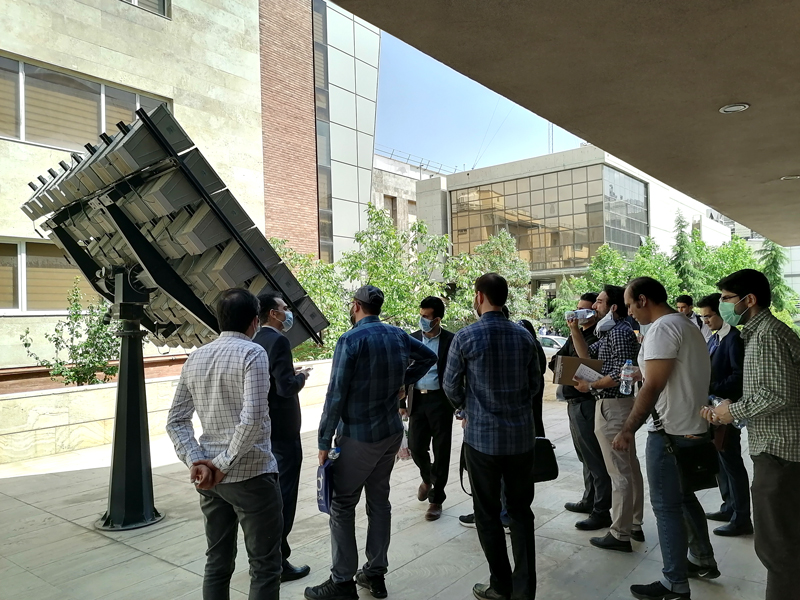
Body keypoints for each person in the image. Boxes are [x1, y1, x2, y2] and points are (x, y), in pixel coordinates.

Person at [305, 285, 437, 600]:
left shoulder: (351, 340)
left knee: (342, 504)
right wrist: (404, 380)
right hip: (390, 433)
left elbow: (336, 394)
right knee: (379, 502)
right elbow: (429, 356)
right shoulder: (398, 335)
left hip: (359, 436)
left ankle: (342, 582)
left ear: (356, 306)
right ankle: (375, 574)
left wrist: (323, 440)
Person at [166, 288, 282, 600]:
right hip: (252, 477)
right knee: (265, 566)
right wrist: (220, 464)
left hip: (210, 483)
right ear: (255, 321)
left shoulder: (196, 357)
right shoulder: (253, 353)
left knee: (217, 562)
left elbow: (176, 420)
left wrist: (197, 462)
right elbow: (253, 419)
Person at [615, 277, 717, 600]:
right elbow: (669, 376)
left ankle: (674, 583)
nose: (630, 312)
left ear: (643, 300)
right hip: (692, 426)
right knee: (684, 498)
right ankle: (702, 558)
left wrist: (628, 428)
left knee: (666, 507)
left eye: (630, 305)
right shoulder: (687, 324)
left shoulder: (662, 328)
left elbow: (654, 386)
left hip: (669, 433)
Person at [703, 269, 800, 600]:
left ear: (749, 300)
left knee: (777, 547)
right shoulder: (759, 334)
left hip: (779, 452)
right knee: (783, 542)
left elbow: (779, 394)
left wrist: (733, 412)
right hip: (776, 449)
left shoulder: (768, 335)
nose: (722, 305)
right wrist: (732, 405)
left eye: (726, 299)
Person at [444, 273, 540, 600]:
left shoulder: (465, 337)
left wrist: (465, 408)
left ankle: (501, 586)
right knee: (521, 512)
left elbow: (450, 385)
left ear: (479, 296)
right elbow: (535, 385)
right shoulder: (524, 336)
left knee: (487, 514)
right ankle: (525, 591)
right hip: (521, 440)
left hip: (482, 439)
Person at [569, 285, 644, 552]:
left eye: (599, 302)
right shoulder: (611, 333)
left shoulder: (620, 333)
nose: (594, 307)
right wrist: (575, 330)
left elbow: (621, 372)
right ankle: (633, 523)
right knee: (628, 467)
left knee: (619, 471)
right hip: (613, 405)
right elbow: (587, 358)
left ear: (613, 307)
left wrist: (590, 385)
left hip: (614, 406)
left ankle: (620, 533)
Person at [252, 294, 313, 582]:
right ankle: (278, 560)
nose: (288, 313)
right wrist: (302, 377)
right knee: (285, 495)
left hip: (265, 429)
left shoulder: (254, 340)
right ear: (272, 314)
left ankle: (263, 557)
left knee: (268, 496)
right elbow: (286, 387)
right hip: (284, 432)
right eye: (284, 309)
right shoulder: (278, 341)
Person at [551, 292, 613, 532]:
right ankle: (589, 499)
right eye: (577, 309)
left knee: (595, 459)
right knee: (585, 456)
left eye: (585, 310)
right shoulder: (575, 335)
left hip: (588, 402)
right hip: (573, 401)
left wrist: (572, 365)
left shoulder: (597, 336)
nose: (578, 314)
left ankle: (601, 510)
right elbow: (556, 362)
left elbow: (589, 366)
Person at [696, 293, 752, 537]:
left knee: (732, 463)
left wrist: (711, 387)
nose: (705, 321)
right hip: (714, 408)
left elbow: (738, 377)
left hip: (728, 409)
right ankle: (729, 506)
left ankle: (741, 517)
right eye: (703, 317)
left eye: (708, 316)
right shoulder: (715, 338)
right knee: (720, 461)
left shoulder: (734, 339)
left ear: (720, 314)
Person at [399, 296, 455, 522]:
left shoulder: (451, 340)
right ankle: (428, 477)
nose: (422, 319)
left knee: (442, 450)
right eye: (421, 315)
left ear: (437, 319)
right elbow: (403, 370)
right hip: (417, 401)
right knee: (415, 446)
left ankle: (436, 499)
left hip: (441, 401)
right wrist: (401, 403)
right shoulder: (412, 339)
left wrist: (459, 403)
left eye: (426, 317)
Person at [518, 318, 547, 438]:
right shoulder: (527, 344)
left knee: (535, 413)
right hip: (531, 384)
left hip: (535, 384)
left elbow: (541, 367)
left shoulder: (533, 344)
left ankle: (539, 439)